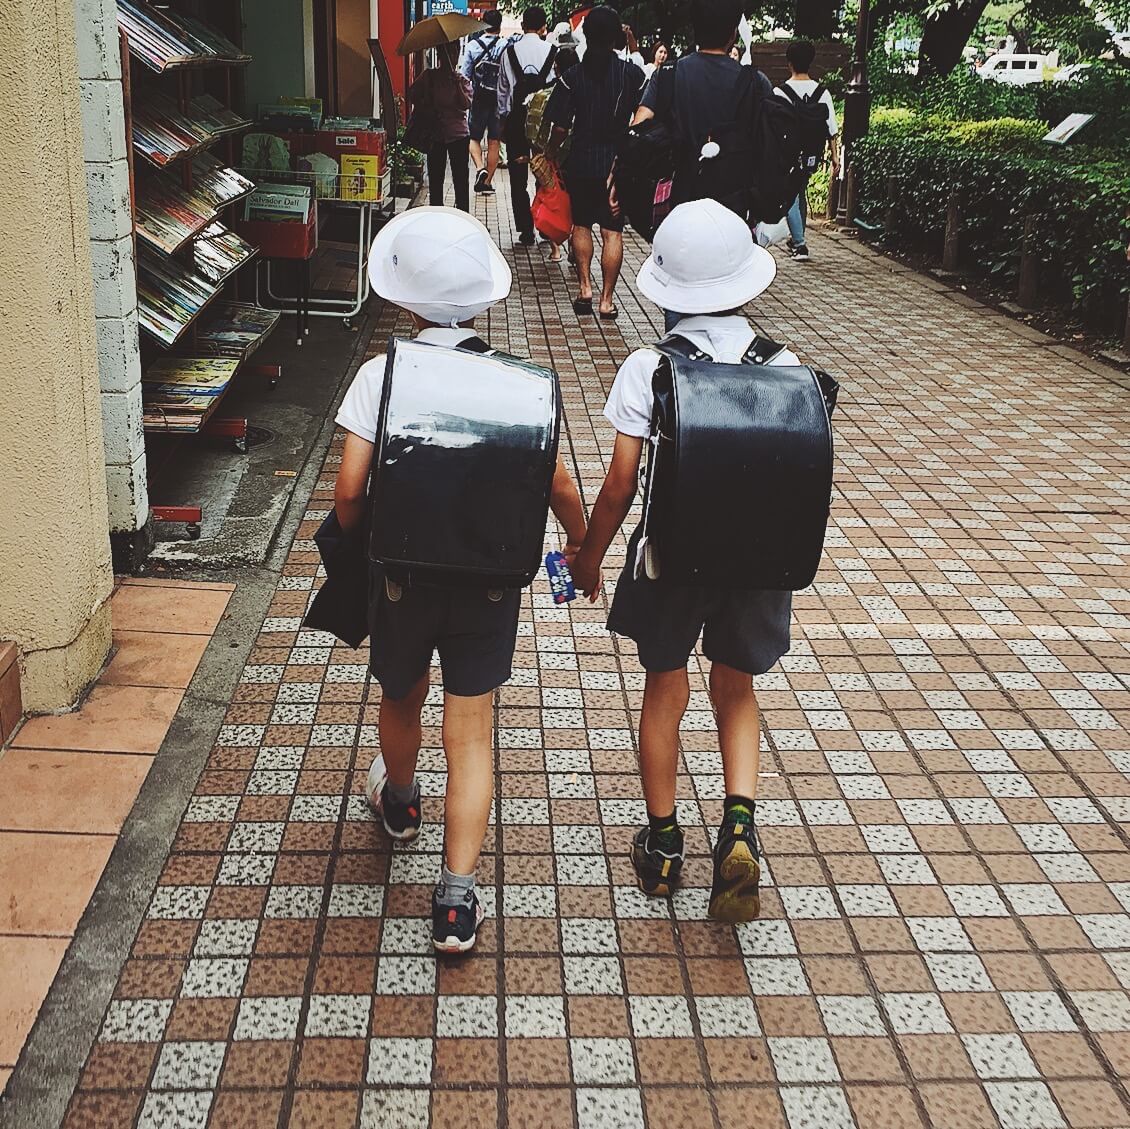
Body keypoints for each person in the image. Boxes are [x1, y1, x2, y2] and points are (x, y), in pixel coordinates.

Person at [333, 207, 592, 952]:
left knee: (401, 695)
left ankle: (401, 802)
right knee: (470, 731)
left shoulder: (381, 375)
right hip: (488, 582)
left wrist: (361, 543)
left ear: (405, 300)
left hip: (402, 577)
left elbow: (349, 492)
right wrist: (581, 546)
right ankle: (455, 900)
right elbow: (560, 485)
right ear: (482, 300)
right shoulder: (519, 383)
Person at [570, 199, 802, 924]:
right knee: (736, 688)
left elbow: (619, 484)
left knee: (664, 689)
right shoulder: (783, 364)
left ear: (667, 286)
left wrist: (588, 557)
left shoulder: (650, 367)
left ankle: (665, 845)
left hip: (669, 557)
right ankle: (740, 830)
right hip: (758, 559)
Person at [629, 0, 773, 328]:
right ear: (733, 33)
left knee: (680, 288)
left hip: (680, 202)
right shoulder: (754, 82)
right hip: (734, 208)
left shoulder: (668, 76)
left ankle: (680, 347)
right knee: (727, 294)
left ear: (694, 29)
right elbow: (768, 144)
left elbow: (639, 128)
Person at [546, 6, 644, 319]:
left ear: (586, 36)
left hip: (581, 161)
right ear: (616, 37)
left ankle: (585, 289)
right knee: (612, 232)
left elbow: (560, 127)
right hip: (618, 164)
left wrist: (550, 152)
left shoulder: (572, 77)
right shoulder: (632, 75)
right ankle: (606, 301)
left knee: (582, 224)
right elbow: (644, 118)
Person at [774, 40, 840, 262]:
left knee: (789, 194)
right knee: (799, 190)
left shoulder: (780, 92)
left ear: (789, 63)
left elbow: (773, 126)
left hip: (787, 154)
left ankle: (800, 244)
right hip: (812, 153)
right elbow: (832, 128)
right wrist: (835, 157)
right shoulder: (822, 92)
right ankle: (797, 237)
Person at [498, 5, 557, 244]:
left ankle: (525, 229)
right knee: (546, 173)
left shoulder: (509, 52)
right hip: (545, 122)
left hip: (516, 120)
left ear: (522, 26)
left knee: (517, 176)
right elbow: (556, 90)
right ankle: (546, 225)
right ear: (544, 27)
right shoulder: (552, 52)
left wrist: (503, 120)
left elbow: (503, 92)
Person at [408, 41, 473, 211]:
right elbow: (412, 94)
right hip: (435, 135)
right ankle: (436, 213)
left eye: (454, 52)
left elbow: (465, 104)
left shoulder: (462, 80)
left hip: (458, 136)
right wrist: (426, 102)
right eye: (447, 52)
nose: (451, 56)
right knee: (436, 180)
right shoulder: (429, 76)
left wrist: (457, 85)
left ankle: (462, 215)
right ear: (439, 54)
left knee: (461, 180)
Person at [461, 8, 508, 195]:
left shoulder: (473, 46)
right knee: (494, 141)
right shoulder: (506, 46)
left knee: (473, 138)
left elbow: (465, 76)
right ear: (500, 25)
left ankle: (480, 168)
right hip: (498, 99)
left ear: (482, 24)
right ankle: (487, 182)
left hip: (478, 99)